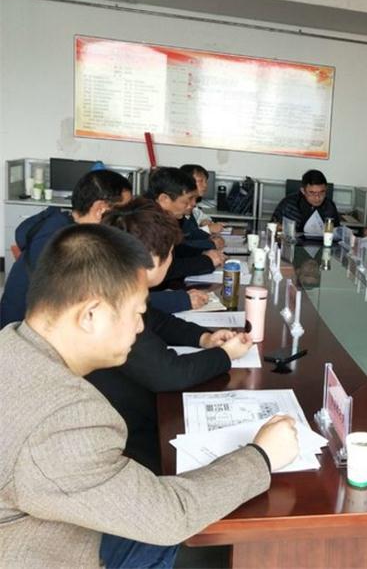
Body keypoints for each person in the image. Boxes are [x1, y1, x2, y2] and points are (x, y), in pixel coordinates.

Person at [0, 224, 299, 568]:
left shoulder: (11, 343)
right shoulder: (64, 419)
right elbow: (169, 517)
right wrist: (261, 456)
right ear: (91, 315)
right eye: (137, 314)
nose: (141, 327)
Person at [91, 198, 253, 473]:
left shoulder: (117, 282)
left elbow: (158, 321)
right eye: (170, 254)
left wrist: (204, 338)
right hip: (124, 437)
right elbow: (169, 374)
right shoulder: (114, 305)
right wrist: (225, 355)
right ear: (154, 259)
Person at [0, 169, 132, 327]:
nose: (127, 218)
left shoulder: (58, 222)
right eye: (124, 211)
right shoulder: (70, 246)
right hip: (23, 333)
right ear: (100, 209)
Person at [145, 167, 224, 283]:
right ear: (164, 199)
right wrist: (206, 261)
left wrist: (202, 253)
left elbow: (176, 249)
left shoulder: (166, 217)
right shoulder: (146, 224)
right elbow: (161, 269)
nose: (193, 204)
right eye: (189, 199)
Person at [271, 169, 340, 232]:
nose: (317, 197)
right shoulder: (288, 204)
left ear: (326, 189)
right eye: (312, 193)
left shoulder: (330, 206)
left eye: (322, 192)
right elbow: (272, 226)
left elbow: (337, 232)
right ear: (303, 191)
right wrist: (278, 228)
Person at [178, 164, 225, 250]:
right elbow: (183, 241)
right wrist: (208, 231)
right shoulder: (177, 210)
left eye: (206, 182)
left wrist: (206, 223)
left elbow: (200, 216)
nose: (205, 185)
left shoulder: (193, 207)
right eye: (200, 181)